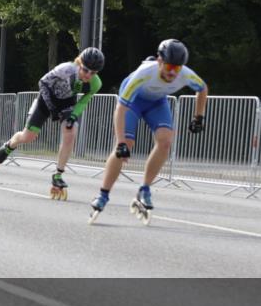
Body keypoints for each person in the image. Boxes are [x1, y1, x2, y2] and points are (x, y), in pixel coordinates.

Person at [89, 39, 208, 224]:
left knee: (166, 141)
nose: (172, 73)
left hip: (157, 102)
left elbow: (203, 88)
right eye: (169, 66)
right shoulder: (143, 74)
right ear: (159, 61)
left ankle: (144, 189)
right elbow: (120, 110)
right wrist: (120, 141)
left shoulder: (185, 74)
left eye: (177, 69)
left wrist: (198, 117)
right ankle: (103, 194)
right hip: (132, 103)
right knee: (125, 146)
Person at [0, 47, 105, 200]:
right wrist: (52, 109)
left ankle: (58, 175)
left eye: (93, 73)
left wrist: (73, 116)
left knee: (71, 132)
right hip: (46, 100)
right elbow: (43, 83)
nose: (88, 75)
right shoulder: (65, 69)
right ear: (79, 63)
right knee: (29, 137)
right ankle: (10, 144)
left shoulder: (95, 84)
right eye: (85, 70)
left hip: (67, 103)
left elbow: (84, 101)